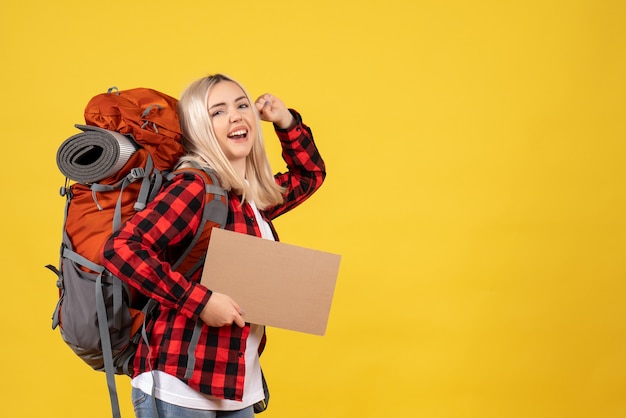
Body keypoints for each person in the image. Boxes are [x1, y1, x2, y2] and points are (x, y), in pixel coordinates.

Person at [101, 73, 326, 418]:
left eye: (241, 105)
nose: (235, 115)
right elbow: (122, 249)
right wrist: (201, 301)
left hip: (234, 388)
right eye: (217, 112)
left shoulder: (250, 196)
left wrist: (286, 121)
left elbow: (309, 176)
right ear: (200, 129)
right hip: (178, 387)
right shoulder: (195, 187)